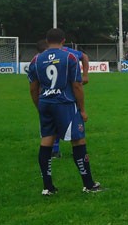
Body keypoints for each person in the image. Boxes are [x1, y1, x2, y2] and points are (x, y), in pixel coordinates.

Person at [28, 28, 102, 196]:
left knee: (46, 141)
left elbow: (33, 88)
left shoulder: (36, 59)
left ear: (47, 41)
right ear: (63, 41)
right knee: (78, 141)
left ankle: (48, 187)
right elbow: (77, 85)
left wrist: (39, 106)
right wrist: (82, 109)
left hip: (46, 103)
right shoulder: (69, 57)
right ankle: (89, 184)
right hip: (65, 104)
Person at [51, 41, 90, 158]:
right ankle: (59, 150)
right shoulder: (50, 53)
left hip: (65, 90)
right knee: (68, 117)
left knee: (64, 117)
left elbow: (84, 56)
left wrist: (85, 75)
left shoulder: (66, 51)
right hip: (61, 91)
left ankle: (75, 150)